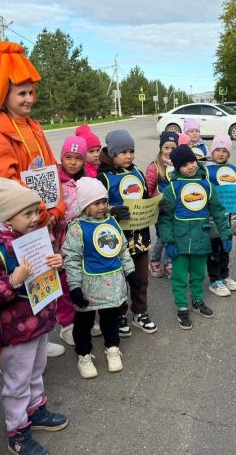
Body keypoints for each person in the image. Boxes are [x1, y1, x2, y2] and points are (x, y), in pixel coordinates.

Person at [0, 177, 68, 454]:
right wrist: (13, 280)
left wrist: (57, 265)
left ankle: (35, 409)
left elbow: (48, 275)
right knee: (17, 380)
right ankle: (17, 430)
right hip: (15, 330)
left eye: (35, 212)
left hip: (39, 321)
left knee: (36, 370)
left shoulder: (33, 238)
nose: (34, 218)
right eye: (26, 213)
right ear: (7, 218)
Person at [0, 41, 65, 224]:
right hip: (12, 224)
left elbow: (51, 170)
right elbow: (7, 186)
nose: (29, 99)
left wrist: (56, 209)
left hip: (38, 218)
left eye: (31, 92)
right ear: (4, 96)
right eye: (22, 94)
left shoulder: (33, 127)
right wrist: (41, 213)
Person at [62, 177, 138, 378]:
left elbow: (122, 250)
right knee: (84, 323)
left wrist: (130, 273)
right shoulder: (77, 228)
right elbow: (72, 259)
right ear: (85, 205)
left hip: (113, 285)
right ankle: (84, 354)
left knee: (110, 319)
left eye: (104, 201)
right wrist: (75, 287)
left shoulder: (112, 222)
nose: (103, 207)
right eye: (96, 203)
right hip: (89, 287)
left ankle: (112, 348)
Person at [158, 144, 232, 329]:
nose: (190, 166)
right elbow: (165, 219)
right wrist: (168, 241)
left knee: (199, 274)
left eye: (191, 161)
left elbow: (218, 210)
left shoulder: (207, 185)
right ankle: (182, 307)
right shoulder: (172, 189)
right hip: (180, 242)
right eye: (184, 165)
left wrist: (225, 234)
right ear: (177, 168)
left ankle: (197, 301)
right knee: (180, 276)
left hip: (201, 238)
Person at [97, 129, 158, 336]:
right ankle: (120, 313)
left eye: (131, 151)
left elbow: (146, 198)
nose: (129, 155)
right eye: (123, 151)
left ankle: (139, 312)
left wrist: (156, 206)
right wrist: (111, 211)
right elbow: (95, 208)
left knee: (141, 278)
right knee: (120, 279)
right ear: (113, 153)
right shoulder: (103, 177)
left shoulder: (138, 173)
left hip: (140, 237)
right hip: (116, 240)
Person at [51, 135, 101, 346]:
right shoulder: (54, 181)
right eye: (68, 157)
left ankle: (86, 316)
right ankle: (67, 325)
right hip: (62, 242)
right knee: (65, 284)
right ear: (62, 157)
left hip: (85, 241)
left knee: (86, 279)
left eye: (78, 158)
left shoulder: (88, 181)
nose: (72, 162)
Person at [205, 134, 236, 297]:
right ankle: (214, 280)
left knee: (225, 251)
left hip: (230, 220)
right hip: (211, 221)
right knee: (213, 252)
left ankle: (225, 276)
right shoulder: (204, 170)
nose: (220, 153)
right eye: (217, 150)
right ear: (212, 151)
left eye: (224, 150)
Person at [146, 130, 178, 278]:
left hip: (176, 210)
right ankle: (154, 261)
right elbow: (148, 189)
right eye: (166, 147)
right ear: (161, 148)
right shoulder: (154, 167)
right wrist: (157, 202)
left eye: (173, 148)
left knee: (174, 236)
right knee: (162, 237)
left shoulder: (179, 166)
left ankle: (169, 262)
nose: (170, 151)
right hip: (160, 210)